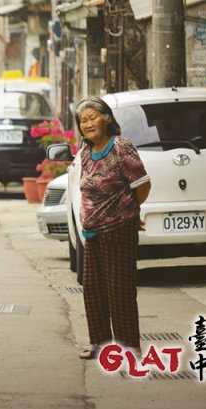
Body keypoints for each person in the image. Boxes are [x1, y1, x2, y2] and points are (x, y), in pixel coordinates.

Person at [75, 96, 151, 360]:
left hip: (119, 231)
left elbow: (142, 184)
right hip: (92, 232)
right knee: (93, 290)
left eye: (92, 117)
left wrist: (128, 211)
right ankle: (100, 343)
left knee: (120, 290)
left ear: (107, 118)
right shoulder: (85, 153)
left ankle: (130, 347)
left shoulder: (121, 147)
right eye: (83, 120)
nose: (87, 124)